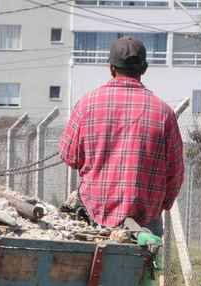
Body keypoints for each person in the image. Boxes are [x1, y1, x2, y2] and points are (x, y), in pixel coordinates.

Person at [59, 36, 184, 236]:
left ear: (111, 68)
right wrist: (161, 205)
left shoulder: (86, 105)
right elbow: (175, 172)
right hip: (145, 223)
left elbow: (70, 156)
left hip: (93, 215)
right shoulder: (164, 113)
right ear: (144, 69)